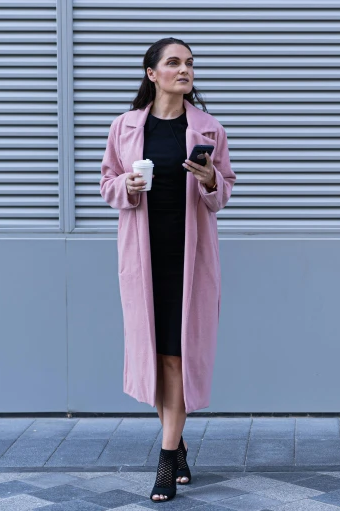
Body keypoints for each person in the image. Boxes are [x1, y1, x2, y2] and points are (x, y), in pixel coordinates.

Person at [99, 37, 236, 502]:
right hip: (143, 258)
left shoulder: (209, 129)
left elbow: (224, 193)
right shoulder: (124, 127)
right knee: (157, 357)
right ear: (151, 73)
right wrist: (127, 184)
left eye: (190, 63)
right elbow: (106, 183)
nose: (185, 70)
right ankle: (177, 449)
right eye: (174, 63)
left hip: (189, 258)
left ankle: (165, 459)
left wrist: (211, 179)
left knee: (179, 356)